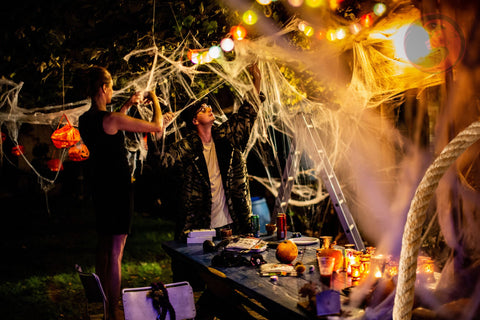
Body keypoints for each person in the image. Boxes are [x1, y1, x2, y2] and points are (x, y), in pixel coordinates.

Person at [78, 66, 171, 320]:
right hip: (118, 188)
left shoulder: (86, 120)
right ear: (102, 88)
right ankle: (113, 310)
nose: (112, 92)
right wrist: (153, 99)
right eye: (110, 87)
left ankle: (103, 303)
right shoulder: (111, 118)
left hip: (99, 186)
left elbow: (110, 125)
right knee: (117, 252)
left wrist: (128, 105)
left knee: (104, 245)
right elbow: (156, 125)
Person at [160, 64, 262, 241]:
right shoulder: (187, 148)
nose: (209, 108)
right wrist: (159, 130)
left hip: (234, 224)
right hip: (201, 228)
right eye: (202, 109)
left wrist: (257, 79)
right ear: (194, 120)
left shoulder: (226, 138)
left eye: (208, 106)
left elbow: (248, 113)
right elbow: (162, 162)